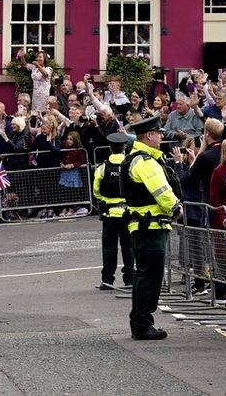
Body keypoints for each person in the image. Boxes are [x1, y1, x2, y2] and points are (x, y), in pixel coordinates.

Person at [120, 116, 180, 341]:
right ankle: (143, 324)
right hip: (151, 226)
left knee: (144, 275)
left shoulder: (137, 158)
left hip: (144, 225)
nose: (162, 136)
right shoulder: (145, 161)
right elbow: (162, 191)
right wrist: (176, 208)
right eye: (158, 132)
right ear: (148, 136)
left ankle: (140, 322)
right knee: (149, 277)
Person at [93, 133, 134, 291]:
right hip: (127, 212)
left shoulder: (103, 168)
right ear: (124, 147)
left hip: (109, 214)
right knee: (128, 247)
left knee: (109, 248)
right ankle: (130, 279)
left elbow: (96, 190)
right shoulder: (130, 165)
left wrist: (104, 198)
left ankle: (108, 280)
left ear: (110, 148)